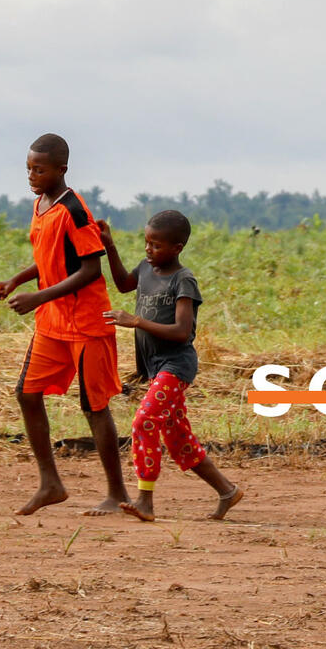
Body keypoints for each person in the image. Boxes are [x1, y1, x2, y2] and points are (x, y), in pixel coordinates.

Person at [0, 134, 129, 516]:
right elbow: (51, 256)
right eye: (29, 169)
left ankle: (117, 495)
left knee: (94, 406)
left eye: (40, 169)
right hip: (53, 322)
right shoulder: (41, 205)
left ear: (61, 170)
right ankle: (50, 483)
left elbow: (89, 269)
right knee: (27, 393)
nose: (32, 176)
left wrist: (38, 296)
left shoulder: (74, 210)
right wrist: (17, 281)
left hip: (86, 321)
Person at [98, 210, 243, 521]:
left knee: (144, 421)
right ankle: (228, 491)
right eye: (147, 243)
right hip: (154, 367)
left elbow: (181, 332)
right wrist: (109, 246)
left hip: (176, 365)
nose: (149, 251)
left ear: (177, 248)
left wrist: (136, 321)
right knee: (178, 439)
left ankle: (145, 501)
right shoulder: (145, 269)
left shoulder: (183, 280)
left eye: (156, 245)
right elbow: (124, 284)